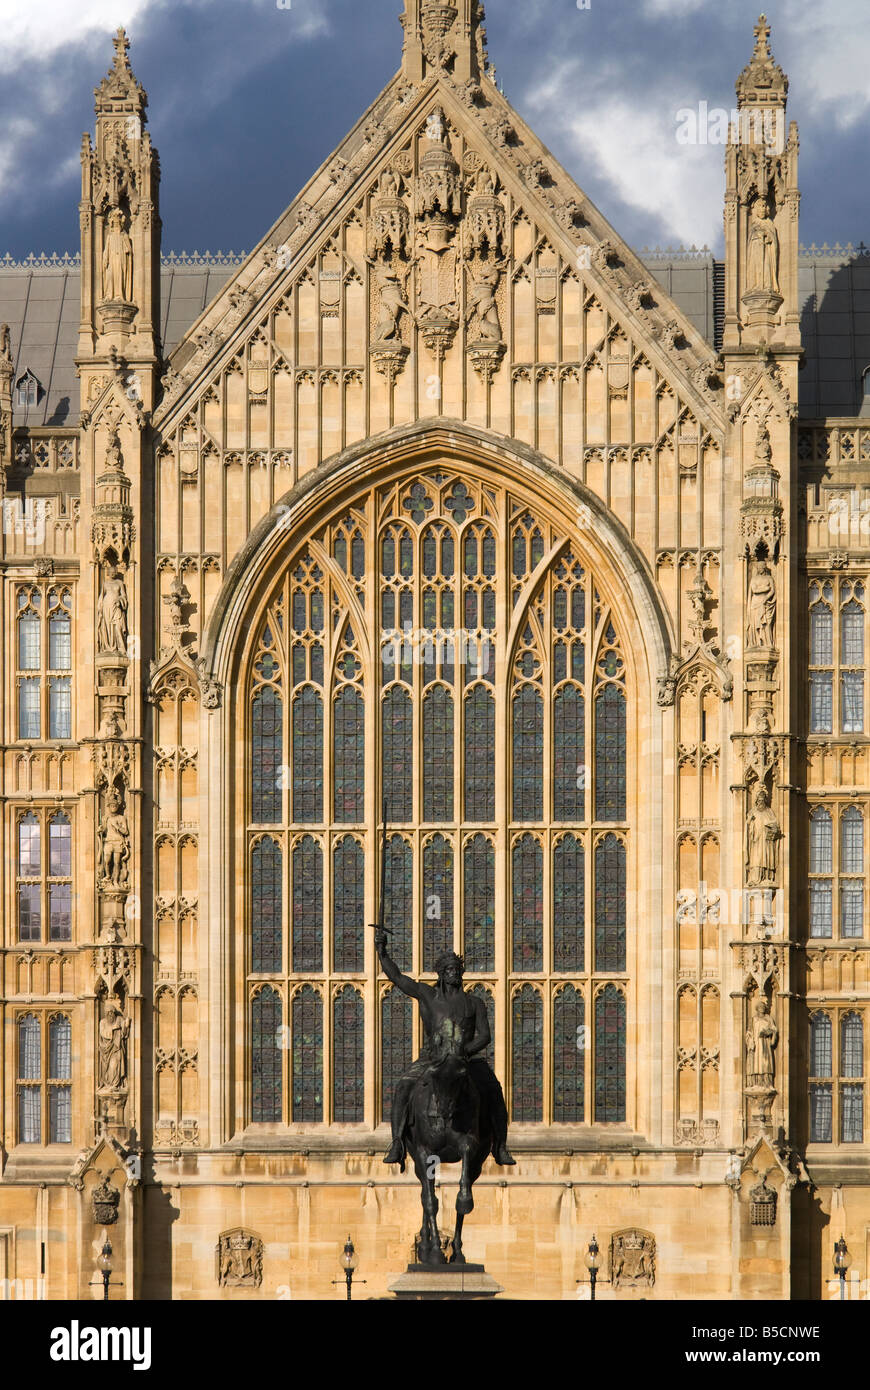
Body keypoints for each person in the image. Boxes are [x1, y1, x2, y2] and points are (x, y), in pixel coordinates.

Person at [373, 930, 515, 1170]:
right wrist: (382, 952)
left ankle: (500, 1146)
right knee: (404, 1087)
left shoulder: (474, 1003)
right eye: (450, 970)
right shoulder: (428, 995)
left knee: (494, 1091)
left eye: (457, 970)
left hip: (468, 1058)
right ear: (441, 974)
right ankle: (397, 1143)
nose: (455, 974)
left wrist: (465, 1051)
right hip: (432, 1058)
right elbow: (398, 978)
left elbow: (485, 1035)